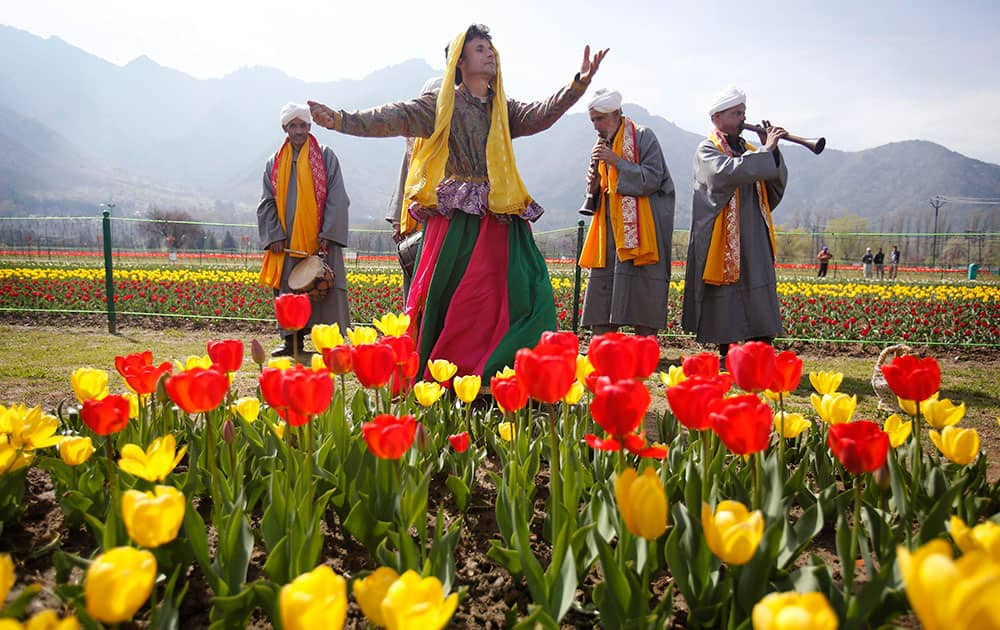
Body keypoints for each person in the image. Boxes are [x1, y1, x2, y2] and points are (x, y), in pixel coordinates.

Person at [309, 24, 607, 377]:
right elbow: (392, 117)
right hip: (458, 219)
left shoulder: (503, 108)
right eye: (481, 49)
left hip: (500, 213)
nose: (490, 55)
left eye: (491, 49)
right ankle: (455, 371)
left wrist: (578, 85)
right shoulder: (440, 105)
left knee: (531, 286)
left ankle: (511, 368)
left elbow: (543, 113)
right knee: (463, 295)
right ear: (460, 63)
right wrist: (341, 120)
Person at [680, 86, 788, 364]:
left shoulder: (751, 149)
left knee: (758, 286)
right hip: (723, 236)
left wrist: (771, 152)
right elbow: (724, 174)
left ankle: (760, 350)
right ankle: (727, 353)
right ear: (717, 118)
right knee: (725, 291)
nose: (742, 118)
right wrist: (766, 151)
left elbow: (772, 182)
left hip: (754, 231)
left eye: (743, 113)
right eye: (735, 113)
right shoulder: (707, 149)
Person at [579, 89, 675, 337]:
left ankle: (644, 343)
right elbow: (606, 186)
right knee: (604, 283)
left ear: (617, 114)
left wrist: (617, 162)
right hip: (609, 230)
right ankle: (603, 340)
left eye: (600, 119)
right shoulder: (601, 144)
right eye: (593, 120)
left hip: (642, 230)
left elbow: (654, 178)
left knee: (641, 286)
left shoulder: (643, 137)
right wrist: (594, 184)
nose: (596, 126)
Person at [257, 102, 351, 356]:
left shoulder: (325, 156)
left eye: (303, 125)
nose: (298, 131)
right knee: (289, 291)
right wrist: (274, 235)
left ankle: (329, 342)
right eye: (293, 126)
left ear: (310, 126)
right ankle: (292, 342)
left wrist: (328, 233)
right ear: (284, 128)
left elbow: (337, 197)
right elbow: (266, 201)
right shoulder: (273, 162)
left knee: (327, 289)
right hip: (286, 241)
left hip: (320, 239)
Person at [385, 76, 443, 300]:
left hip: (445, 224)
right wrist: (398, 222)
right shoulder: (413, 142)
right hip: (414, 225)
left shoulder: (459, 137)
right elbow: (404, 182)